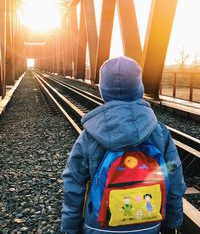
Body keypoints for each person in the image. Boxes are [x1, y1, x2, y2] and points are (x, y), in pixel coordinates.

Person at [61, 56, 186, 234]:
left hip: (99, 225)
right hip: (149, 223)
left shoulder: (89, 136)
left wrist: (70, 227)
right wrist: (172, 223)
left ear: (103, 91)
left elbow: (73, 184)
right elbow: (174, 179)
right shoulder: (159, 132)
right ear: (139, 89)